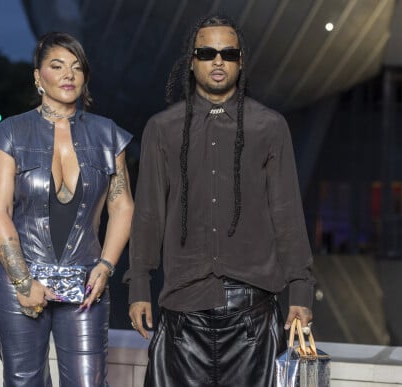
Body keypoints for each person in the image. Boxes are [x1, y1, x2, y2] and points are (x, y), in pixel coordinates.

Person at [124, 15, 315, 387]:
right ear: (191, 61)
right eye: (207, 52)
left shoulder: (270, 126)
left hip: (253, 317)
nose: (217, 61)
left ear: (240, 62)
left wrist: (301, 291)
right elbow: (149, 215)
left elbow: (287, 214)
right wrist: (138, 288)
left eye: (228, 53)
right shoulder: (162, 128)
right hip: (183, 311)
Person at [0, 32, 134, 386]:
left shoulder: (108, 136)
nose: (68, 75)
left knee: (88, 382)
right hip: (20, 278)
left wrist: (106, 267)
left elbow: (122, 206)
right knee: (24, 381)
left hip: (86, 282)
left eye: (77, 68)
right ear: (38, 76)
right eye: (57, 66)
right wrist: (22, 280)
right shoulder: (10, 135)